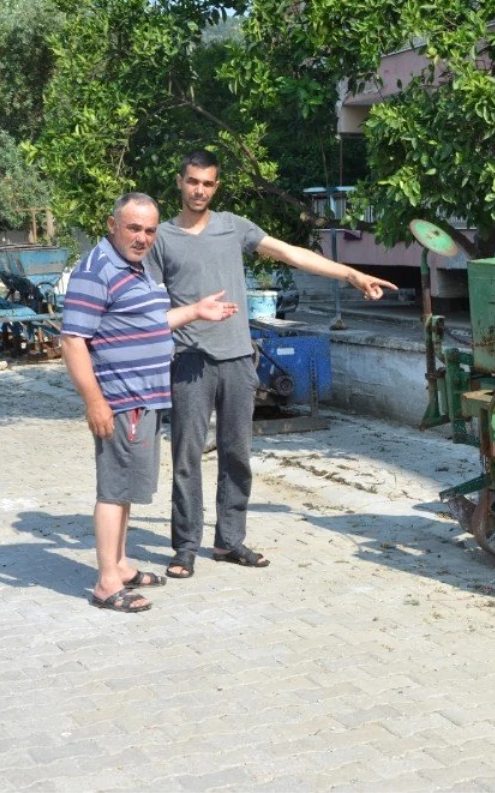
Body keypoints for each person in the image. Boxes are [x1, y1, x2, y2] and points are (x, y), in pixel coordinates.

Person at [147, 149, 398, 579]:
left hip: (239, 359)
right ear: (179, 181)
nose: (200, 190)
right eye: (193, 182)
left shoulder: (233, 227)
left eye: (208, 183)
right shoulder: (162, 239)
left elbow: (290, 253)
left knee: (237, 454)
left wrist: (351, 275)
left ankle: (229, 541)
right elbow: (148, 304)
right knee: (187, 456)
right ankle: (185, 546)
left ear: (216, 186)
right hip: (189, 362)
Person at [62, 193, 239, 613]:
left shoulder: (134, 269)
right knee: (113, 489)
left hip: (143, 398)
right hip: (120, 398)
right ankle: (107, 583)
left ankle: (121, 565)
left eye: (149, 230)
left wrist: (195, 310)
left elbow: (148, 323)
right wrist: (95, 402)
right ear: (112, 225)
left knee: (127, 489)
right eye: (133, 228)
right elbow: (72, 341)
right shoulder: (97, 269)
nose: (142, 237)